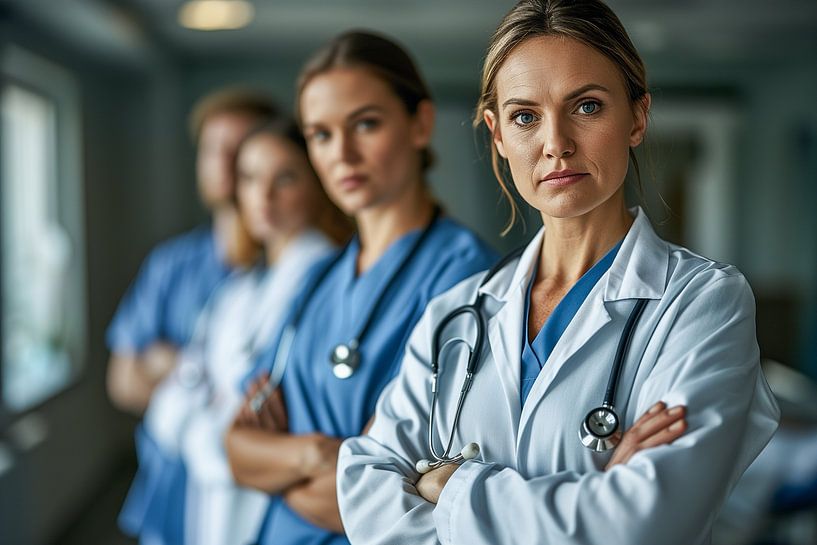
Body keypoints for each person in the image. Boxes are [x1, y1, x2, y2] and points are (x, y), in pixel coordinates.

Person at [336, 2, 780, 544]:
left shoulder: (702, 302)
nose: (556, 144)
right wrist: (593, 495)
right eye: (526, 117)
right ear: (498, 136)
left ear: (637, 117)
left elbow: (645, 522)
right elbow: (365, 489)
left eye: (587, 107)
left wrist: (448, 486)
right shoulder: (456, 313)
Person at [225, 30, 498, 545]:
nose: (342, 154)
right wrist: (315, 457)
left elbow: (385, 503)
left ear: (420, 124)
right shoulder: (319, 277)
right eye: (320, 135)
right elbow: (237, 447)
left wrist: (277, 470)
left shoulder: (468, 280)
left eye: (365, 124)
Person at [144, 115, 352, 545]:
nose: (263, 195)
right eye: (250, 177)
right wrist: (216, 434)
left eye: (286, 178)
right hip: (217, 493)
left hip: (277, 506)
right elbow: (175, 398)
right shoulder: (238, 288)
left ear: (318, 183)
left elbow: (265, 414)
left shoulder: (329, 279)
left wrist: (209, 430)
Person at [108, 89, 277, 544]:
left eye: (239, 149)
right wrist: (187, 371)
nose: (224, 164)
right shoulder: (170, 266)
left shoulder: (296, 269)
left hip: (256, 503)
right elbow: (122, 381)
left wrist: (168, 363)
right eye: (212, 149)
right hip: (169, 496)